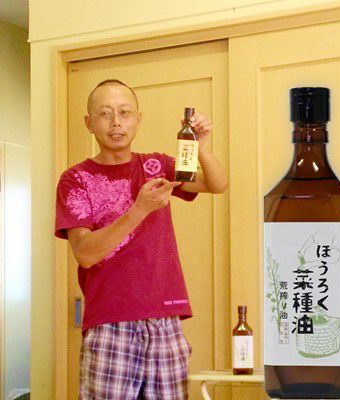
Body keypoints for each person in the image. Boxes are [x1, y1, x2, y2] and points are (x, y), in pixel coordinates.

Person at [55, 79, 227, 400]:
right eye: (105, 113)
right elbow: (85, 253)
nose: (116, 122)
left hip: (165, 318)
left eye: (125, 112)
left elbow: (216, 184)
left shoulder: (156, 165)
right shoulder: (75, 179)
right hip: (109, 321)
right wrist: (140, 209)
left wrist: (201, 147)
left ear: (139, 119)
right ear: (89, 123)